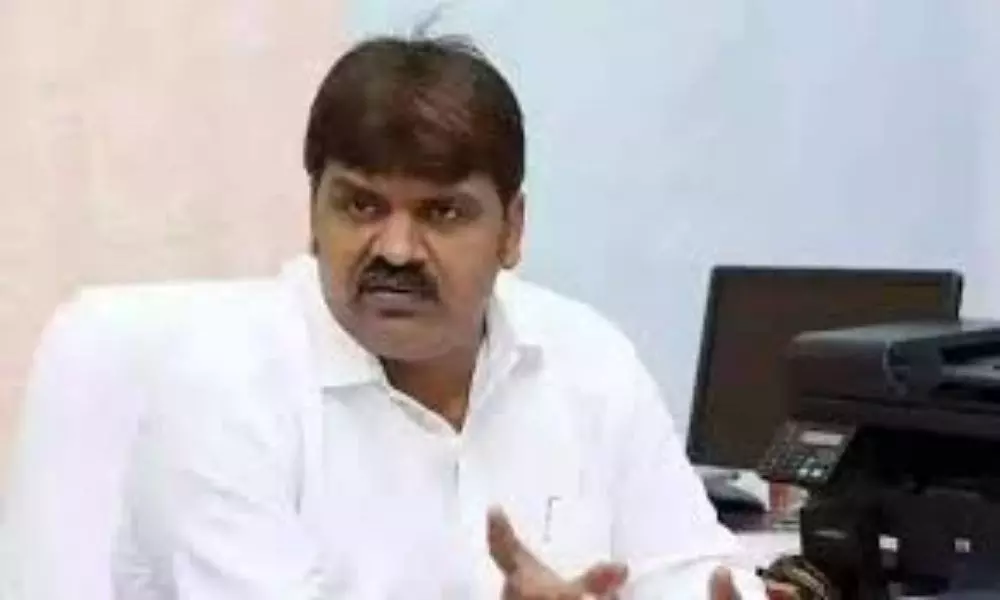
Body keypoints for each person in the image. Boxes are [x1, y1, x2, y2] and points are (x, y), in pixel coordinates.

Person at [17, 35, 773, 599]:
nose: (397, 249)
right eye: (360, 205)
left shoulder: (586, 357)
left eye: (443, 212)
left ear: (511, 231)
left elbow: (685, 570)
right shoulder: (220, 387)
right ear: (313, 214)